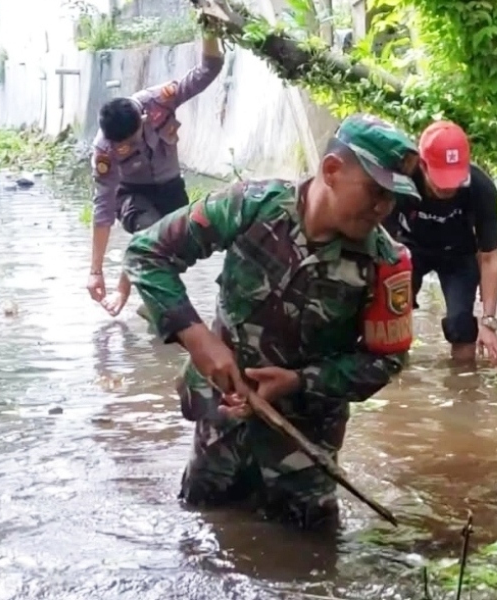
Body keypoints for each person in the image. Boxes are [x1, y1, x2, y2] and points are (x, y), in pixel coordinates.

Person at [123, 113, 419, 530]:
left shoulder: (386, 263)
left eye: (392, 198)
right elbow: (146, 253)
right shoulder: (250, 207)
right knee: (202, 531)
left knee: (309, 558)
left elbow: (386, 361)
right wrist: (198, 339)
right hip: (222, 424)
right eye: (375, 192)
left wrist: (301, 381)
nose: (383, 208)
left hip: (304, 444)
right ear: (332, 171)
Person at [87, 32, 224, 318]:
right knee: (150, 229)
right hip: (132, 193)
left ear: (143, 120)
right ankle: (125, 291)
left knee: (176, 246)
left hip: (171, 187)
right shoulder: (104, 149)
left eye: (133, 139)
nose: (130, 146)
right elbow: (103, 208)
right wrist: (95, 271)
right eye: (123, 145)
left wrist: (210, 29)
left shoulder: (160, 101)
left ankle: (151, 304)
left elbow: (208, 70)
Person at [383, 120, 497, 366]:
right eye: (441, 179)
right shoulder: (400, 181)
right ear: (423, 165)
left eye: (454, 179)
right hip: (408, 250)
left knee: (462, 323)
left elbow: (489, 257)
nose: (448, 188)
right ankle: (396, 375)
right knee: (392, 314)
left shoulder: (481, 188)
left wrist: (489, 322)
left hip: (458, 254)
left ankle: (464, 385)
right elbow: (379, 242)